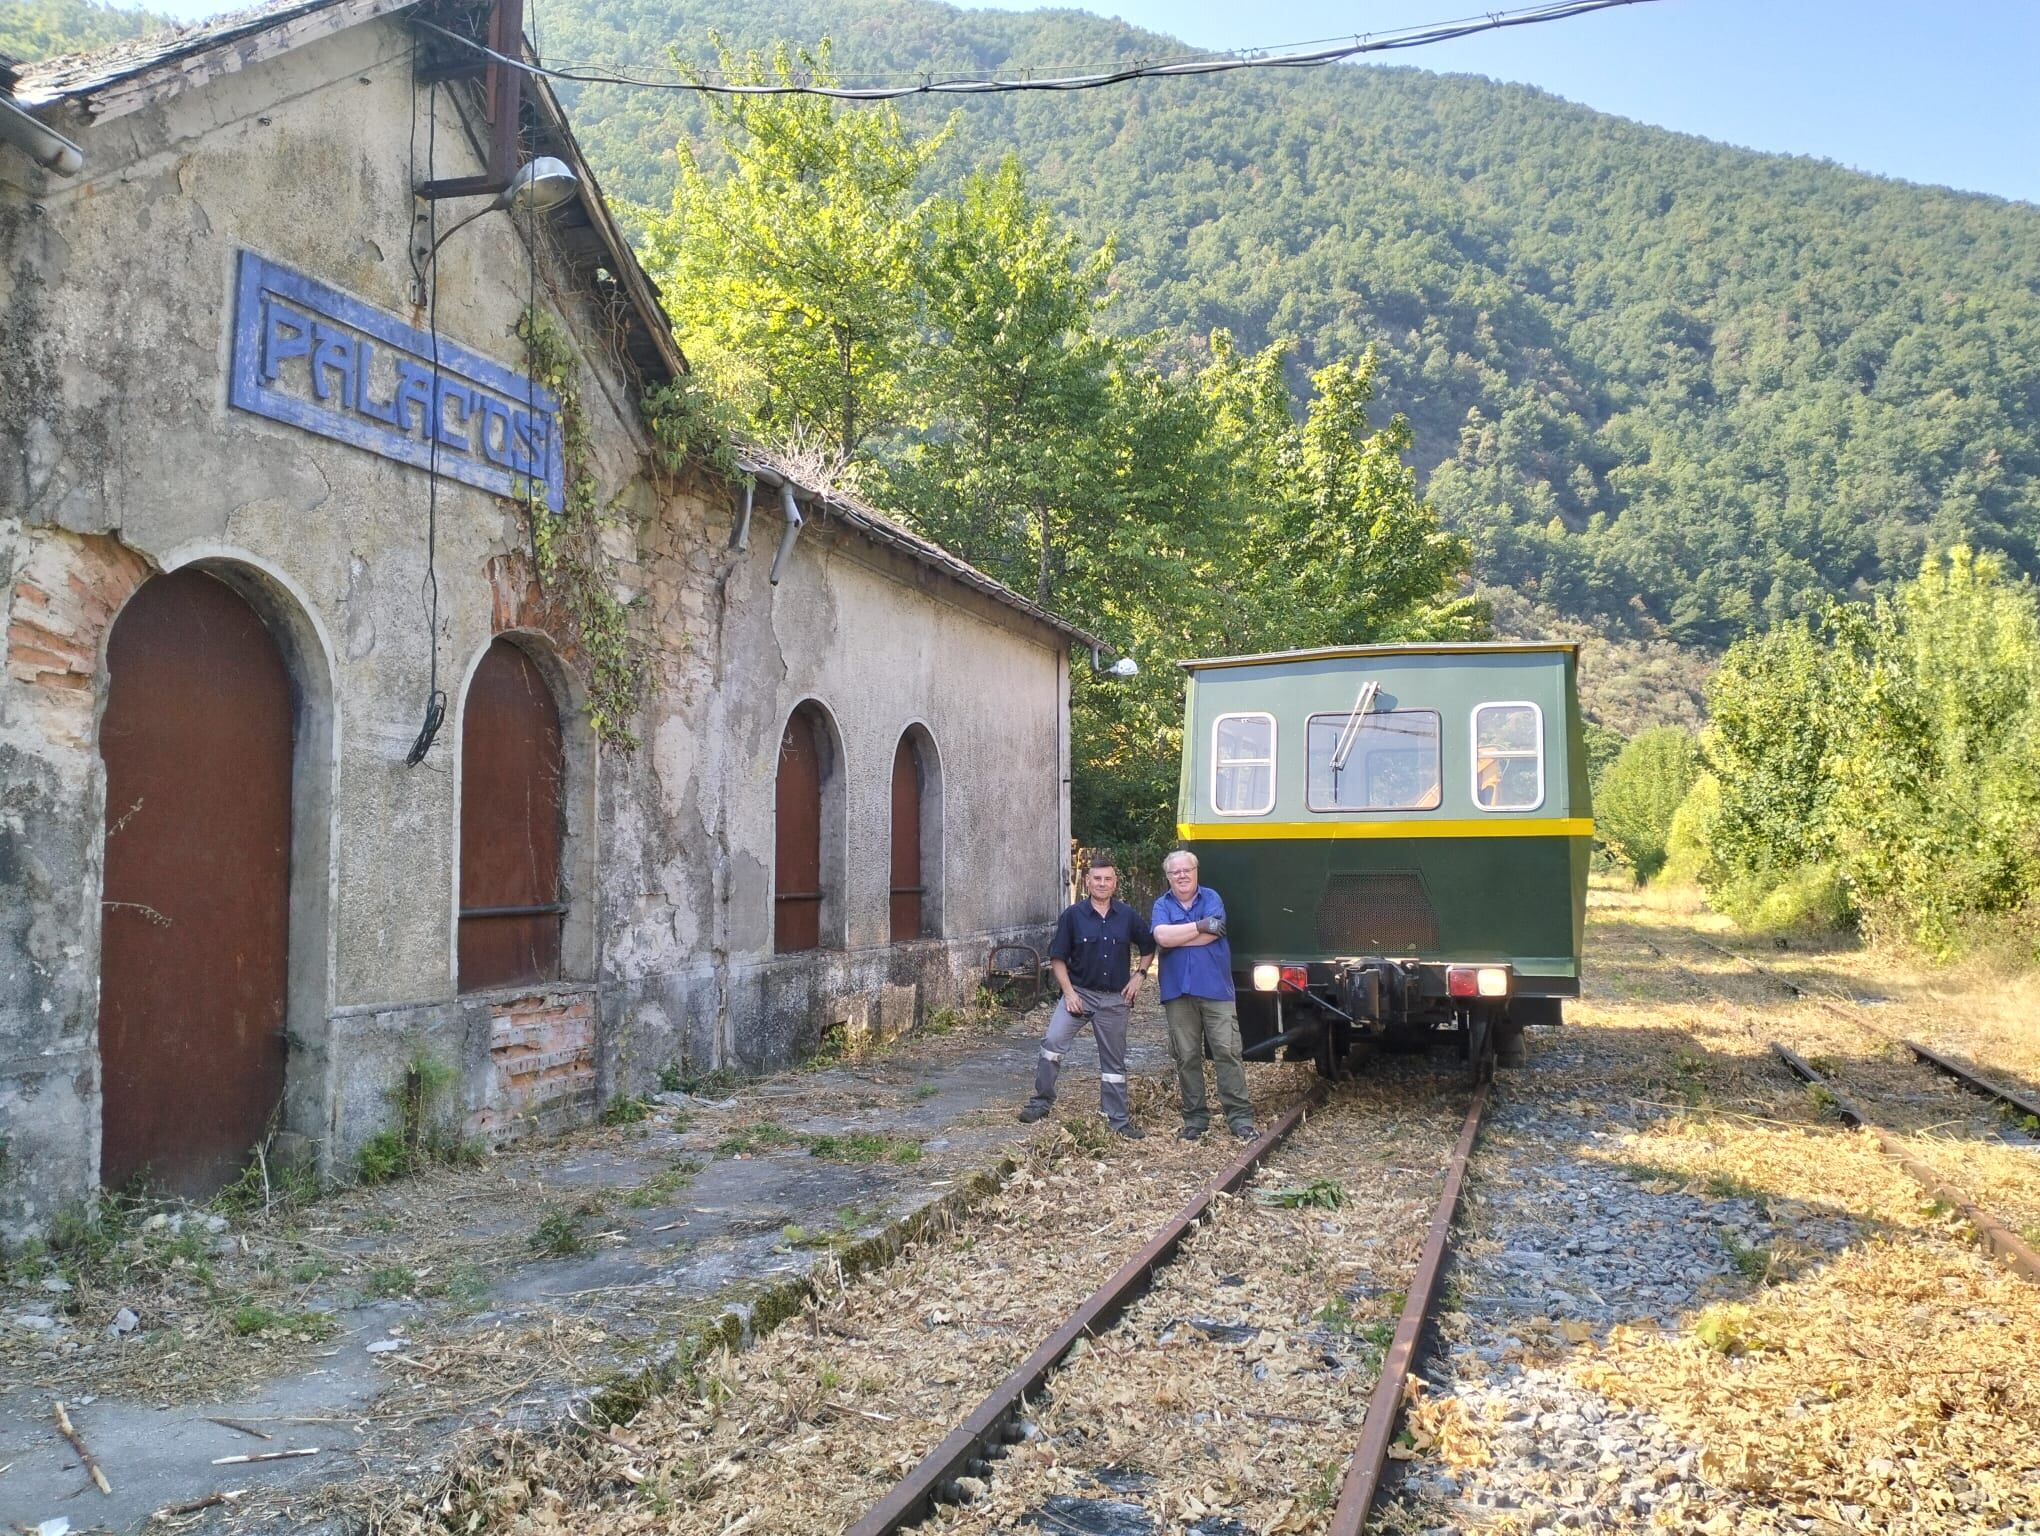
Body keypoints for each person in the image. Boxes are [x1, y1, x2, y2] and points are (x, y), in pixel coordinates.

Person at [1018, 852, 1157, 1139]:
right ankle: (1042, 1102)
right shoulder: (1073, 916)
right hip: (1079, 994)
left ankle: (1116, 1120)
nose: (1102, 884)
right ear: (1087, 881)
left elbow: (1148, 947)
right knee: (1052, 1043)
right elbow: (1058, 958)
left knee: (1114, 1063)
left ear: (1115, 882)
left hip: (1115, 1001)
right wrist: (1068, 993)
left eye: (1107, 879)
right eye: (1097, 879)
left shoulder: (1128, 916)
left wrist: (1140, 976)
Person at [1150, 850, 1254, 1141]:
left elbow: (1214, 933)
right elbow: (1161, 937)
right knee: (1186, 1056)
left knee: (1227, 1052)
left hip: (1215, 990)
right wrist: (1198, 926)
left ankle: (1240, 1118)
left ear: (1196, 872)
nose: (1182, 876)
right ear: (1168, 877)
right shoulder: (1161, 904)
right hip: (1177, 992)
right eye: (1175, 872)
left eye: (1187, 870)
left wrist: (1177, 936)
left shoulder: (1211, 898)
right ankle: (1195, 1119)